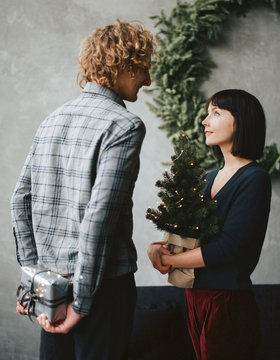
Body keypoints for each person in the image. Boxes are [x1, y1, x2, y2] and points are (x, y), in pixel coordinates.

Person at [11, 20, 155, 360]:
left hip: (52, 288)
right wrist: (83, 302)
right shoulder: (125, 125)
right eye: (143, 70)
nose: (147, 81)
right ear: (122, 65)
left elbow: (20, 199)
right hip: (102, 292)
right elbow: (98, 218)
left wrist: (36, 283)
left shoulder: (53, 118)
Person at [148, 89, 272, 360]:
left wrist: (172, 261)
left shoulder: (254, 178)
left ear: (241, 121)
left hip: (227, 302)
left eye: (216, 113)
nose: (205, 121)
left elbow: (229, 248)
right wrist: (158, 248)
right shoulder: (207, 178)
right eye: (207, 113)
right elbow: (190, 235)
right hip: (195, 298)